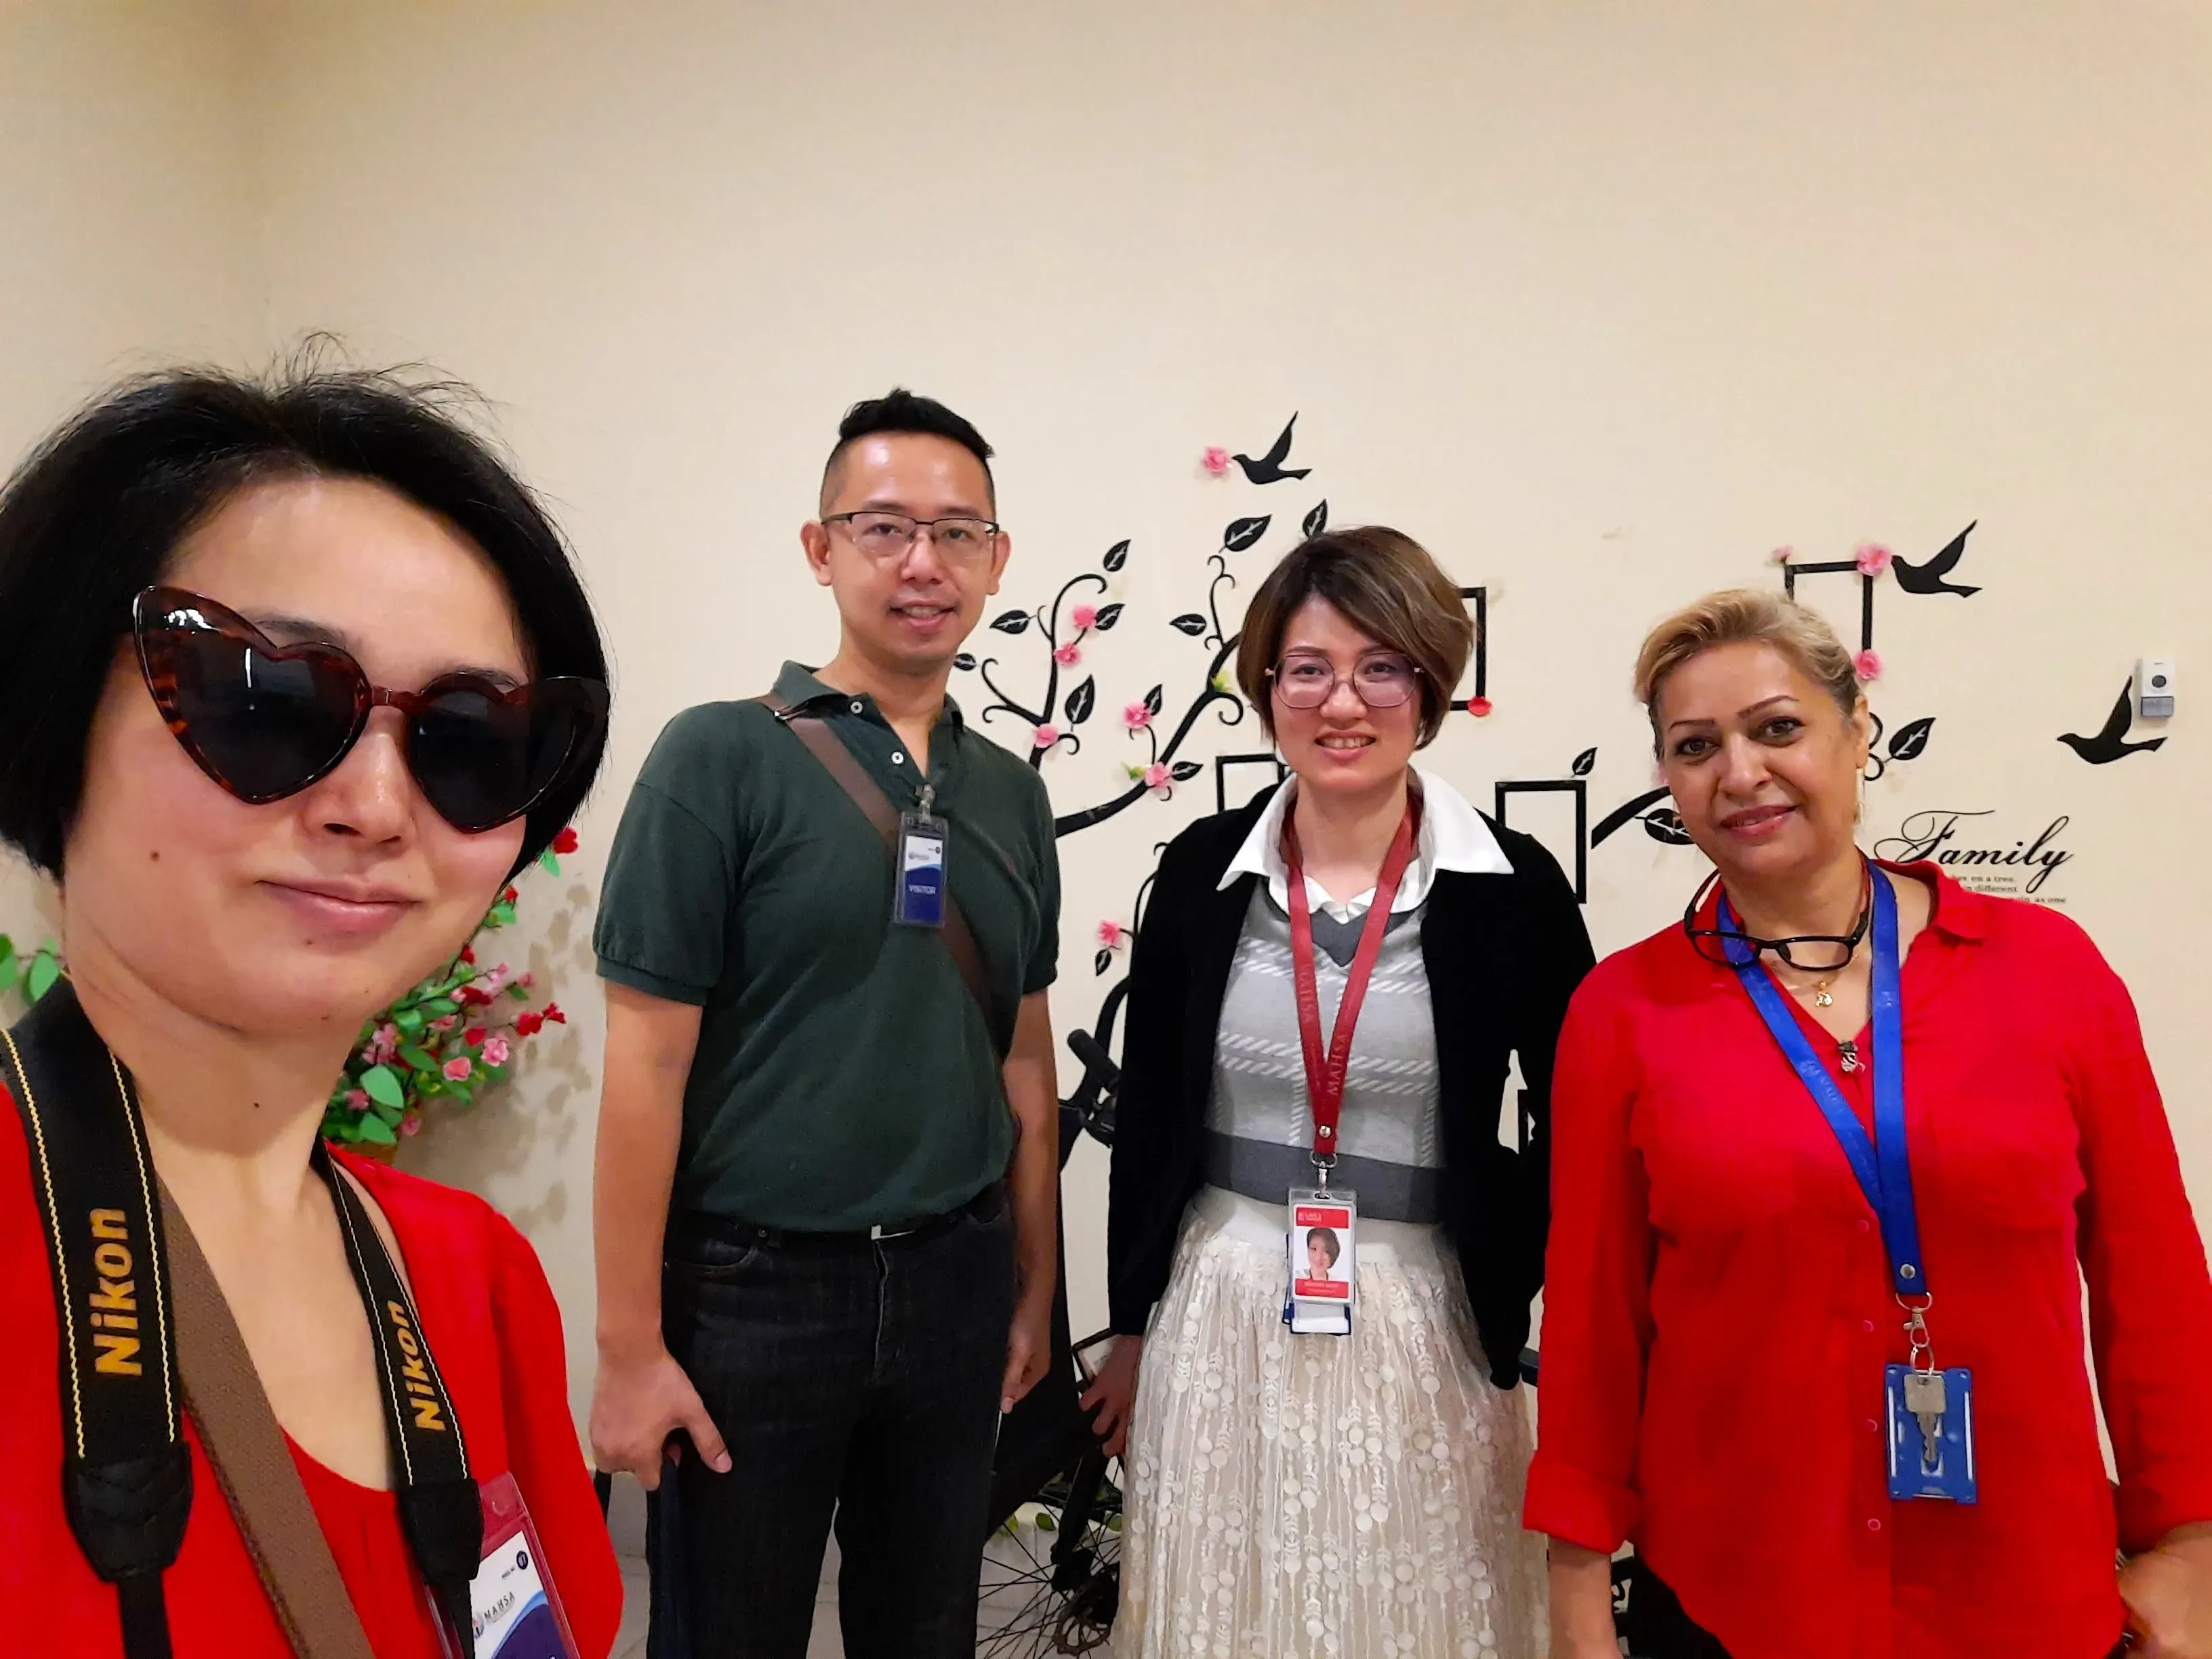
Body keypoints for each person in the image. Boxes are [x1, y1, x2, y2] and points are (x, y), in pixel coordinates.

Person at [0, 362, 623, 1656]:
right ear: (55, 716)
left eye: (469, 739)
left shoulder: (475, 1281)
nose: (376, 807)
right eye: (267, 700)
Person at [1529, 589, 2212, 1659]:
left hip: (2025, 1593)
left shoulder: (2048, 973)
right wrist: (1577, 1595)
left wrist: (2192, 1543)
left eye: (1778, 728)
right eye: (1695, 746)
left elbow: (2152, 1276)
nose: (1740, 772)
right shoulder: (1623, 1013)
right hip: (1734, 1599)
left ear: (1858, 733)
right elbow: (1593, 1325)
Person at [588, 389, 1062, 1658]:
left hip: (957, 1278)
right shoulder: (717, 759)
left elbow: (1024, 1057)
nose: (923, 562)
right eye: (884, 527)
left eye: (958, 533)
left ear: (998, 559)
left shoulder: (1009, 794)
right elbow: (646, 1065)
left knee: (928, 1628)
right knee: (729, 1632)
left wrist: (1037, 1288)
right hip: (755, 1296)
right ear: (821, 548)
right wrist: (629, 1347)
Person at [1086, 525, 1595, 1659]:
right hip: (1223, 1305)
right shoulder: (1203, 868)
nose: (1344, 703)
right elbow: (1153, 1112)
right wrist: (1130, 1326)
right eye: (1309, 669)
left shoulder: (1512, 886)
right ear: (1270, 688)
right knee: (1228, 1615)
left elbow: (1582, 1121)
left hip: (1428, 1318)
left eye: (1382, 668)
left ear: (1430, 686)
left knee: (1419, 1615)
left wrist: (1517, 1276)